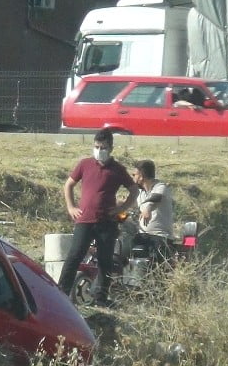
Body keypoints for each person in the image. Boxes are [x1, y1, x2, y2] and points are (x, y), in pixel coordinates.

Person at [56, 128, 139, 306]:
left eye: (103, 148)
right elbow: (68, 185)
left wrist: (122, 208)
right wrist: (71, 207)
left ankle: (100, 298)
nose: (99, 151)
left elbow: (134, 190)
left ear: (110, 148)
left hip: (107, 222)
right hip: (85, 220)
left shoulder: (117, 169)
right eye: (97, 147)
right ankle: (61, 294)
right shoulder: (85, 164)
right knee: (74, 256)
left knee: (105, 260)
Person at [131, 159, 174, 264]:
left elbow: (156, 198)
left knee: (153, 264)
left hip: (160, 237)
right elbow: (129, 203)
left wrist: (148, 209)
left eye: (134, 175)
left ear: (141, 176)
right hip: (143, 236)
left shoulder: (160, 187)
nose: (133, 178)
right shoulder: (140, 192)